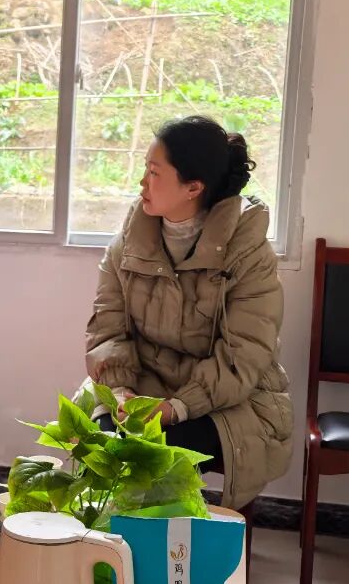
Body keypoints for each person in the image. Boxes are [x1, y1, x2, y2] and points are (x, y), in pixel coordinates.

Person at [85, 115, 292, 509]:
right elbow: (108, 327)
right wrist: (122, 391)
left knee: (162, 454)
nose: (142, 183)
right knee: (103, 440)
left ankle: (172, 545)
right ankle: (107, 541)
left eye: (153, 172)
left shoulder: (248, 252)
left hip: (229, 399)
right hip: (145, 384)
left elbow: (244, 354)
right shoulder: (128, 241)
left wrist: (176, 408)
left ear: (193, 188)